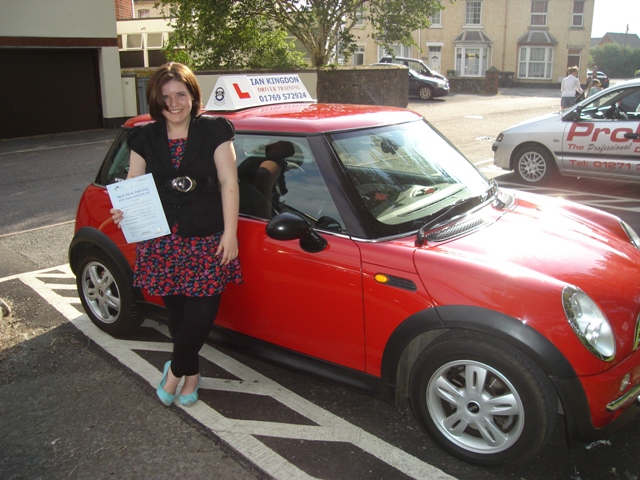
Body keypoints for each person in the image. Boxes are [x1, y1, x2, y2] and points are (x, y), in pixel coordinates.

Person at [110, 62, 243, 407]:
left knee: (201, 315)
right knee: (179, 315)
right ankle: (192, 374)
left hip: (206, 235)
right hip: (161, 238)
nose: (174, 103)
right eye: (166, 97)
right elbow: (134, 183)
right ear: (156, 100)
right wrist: (123, 209)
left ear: (193, 96)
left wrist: (230, 233)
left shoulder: (214, 131)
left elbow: (229, 182)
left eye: (181, 95)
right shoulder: (144, 137)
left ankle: (174, 371)